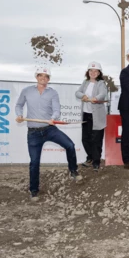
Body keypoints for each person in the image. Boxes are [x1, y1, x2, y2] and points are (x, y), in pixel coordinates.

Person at [15, 67, 82, 201]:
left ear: (49, 79)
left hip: (49, 129)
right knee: (34, 162)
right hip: (33, 133)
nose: (43, 78)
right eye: (41, 75)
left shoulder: (53, 93)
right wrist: (19, 115)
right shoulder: (26, 91)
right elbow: (19, 105)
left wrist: (54, 117)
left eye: (46, 76)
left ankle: (73, 171)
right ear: (36, 77)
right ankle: (34, 190)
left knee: (70, 145)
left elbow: (57, 109)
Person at [75, 61, 108, 172]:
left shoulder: (101, 83)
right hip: (86, 115)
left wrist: (96, 98)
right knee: (85, 139)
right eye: (91, 71)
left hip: (97, 116)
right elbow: (77, 93)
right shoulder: (85, 83)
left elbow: (102, 94)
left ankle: (96, 162)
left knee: (96, 139)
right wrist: (83, 95)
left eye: (95, 71)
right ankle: (90, 157)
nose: (93, 73)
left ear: (99, 73)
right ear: (88, 72)